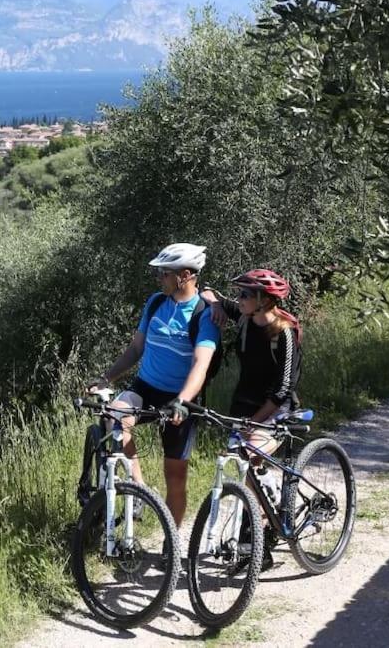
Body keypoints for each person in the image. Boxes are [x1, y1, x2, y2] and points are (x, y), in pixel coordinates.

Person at [85, 242, 221, 528]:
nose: (159, 279)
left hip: (181, 399)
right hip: (145, 388)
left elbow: (201, 364)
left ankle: (170, 542)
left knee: (175, 476)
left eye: (164, 274)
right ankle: (139, 491)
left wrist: (182, 401)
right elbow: (136, 350)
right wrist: (107, 378)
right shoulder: (156, 302)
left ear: (184, 275)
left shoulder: (204, 315)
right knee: (115, 415)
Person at [201, 268, 302, 570]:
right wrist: (215, 303)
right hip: (244, 407)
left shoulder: (284, 332)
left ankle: (255, 543)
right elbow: (208, 292)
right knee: (246, 465)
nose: (239, 299)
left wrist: (255, 421)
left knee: (249, 456)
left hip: (277, 410)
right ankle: (266, 523)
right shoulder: (245, 318)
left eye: (245, 294)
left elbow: (283, 388)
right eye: (239, 294)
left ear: (263, 300)